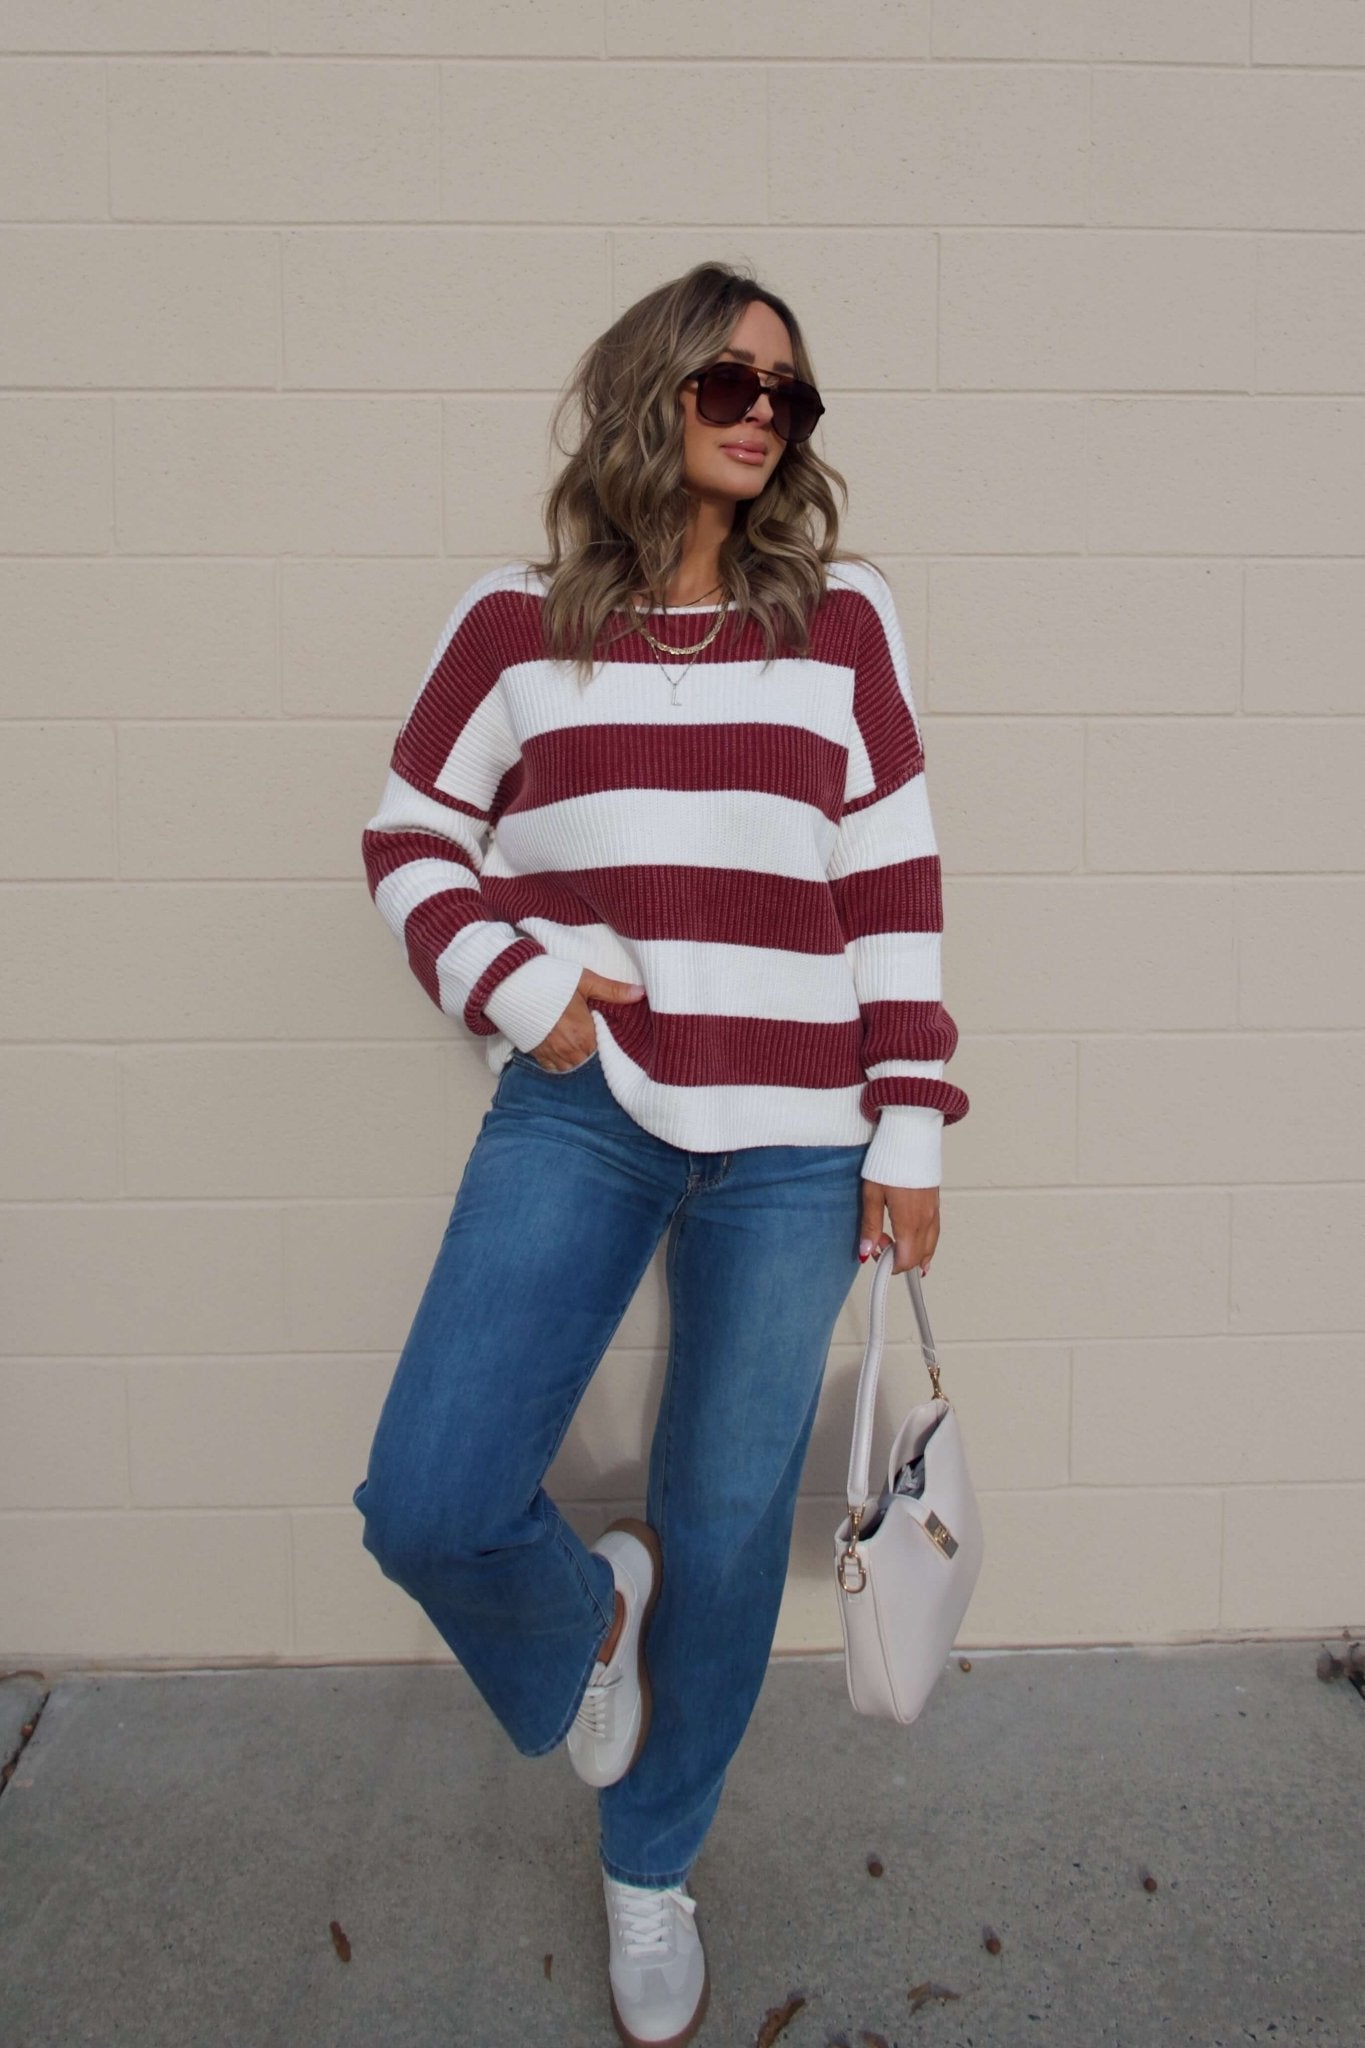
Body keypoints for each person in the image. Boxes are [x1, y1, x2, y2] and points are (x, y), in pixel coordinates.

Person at [350, 261, 969, 2048]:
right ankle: (579, 1615)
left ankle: (649, 1873)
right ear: (649, 391)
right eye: (729, 380)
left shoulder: (844, 622)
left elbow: (893, 887)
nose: (763, 411)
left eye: (789, 394)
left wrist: (908, 1121)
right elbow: (409, 833)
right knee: (433, 1499)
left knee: (713, 1524)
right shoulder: (512, 623)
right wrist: (518, 982)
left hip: (796, 1143)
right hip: (588, 1106)